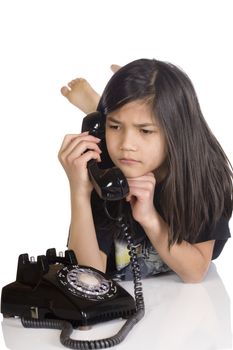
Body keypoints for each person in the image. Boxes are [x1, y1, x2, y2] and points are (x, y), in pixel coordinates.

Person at [58, 59, 232, 283]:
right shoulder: (105, 167)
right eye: (114, 126)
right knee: (130, 124)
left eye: (145, 131)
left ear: (173, 134)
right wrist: (79, 190)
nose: (126, 145)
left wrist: (150, 218)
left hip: (184, 308)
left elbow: (195, 272)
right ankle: (102, 110)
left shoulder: (202, 174)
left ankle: (100, 105)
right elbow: (88, 279)